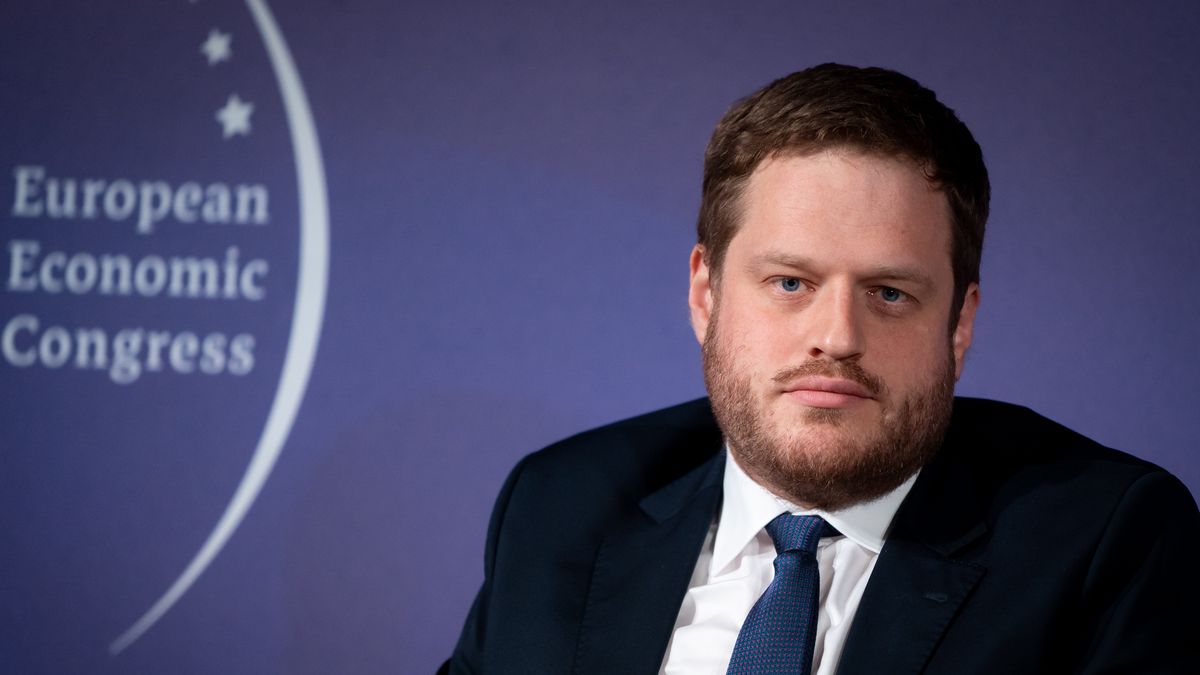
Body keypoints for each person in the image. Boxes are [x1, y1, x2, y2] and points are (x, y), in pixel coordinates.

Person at [439, 64, 1200, 674]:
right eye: (791, 283)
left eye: (891, 293)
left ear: (959, 323)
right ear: (705, 294)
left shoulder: (1104, 546)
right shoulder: (560, 507)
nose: (837, 337)